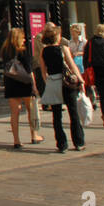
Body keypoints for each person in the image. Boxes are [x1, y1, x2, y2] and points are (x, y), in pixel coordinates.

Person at [38, 22, 84, 152]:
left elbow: (43, 71)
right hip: (66, 82)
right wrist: (80, 80)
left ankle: (61, 144)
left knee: (56, 115)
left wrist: (48, 82)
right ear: (56, 37)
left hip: (53, 81)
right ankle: (79, 141)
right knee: (73, 112)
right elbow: (72, 65)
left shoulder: (43, 51)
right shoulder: (63, 49)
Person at [0, 28, 43, 148]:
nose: (24, 40)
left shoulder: (5, 51)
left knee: (15, 112)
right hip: (24, 83)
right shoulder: (23, 51)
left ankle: (16, 140)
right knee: (30, 110)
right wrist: (34, 86)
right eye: (22, 37)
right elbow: (30, 71)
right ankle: (34, 135)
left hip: (11, 83)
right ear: (18, 38)